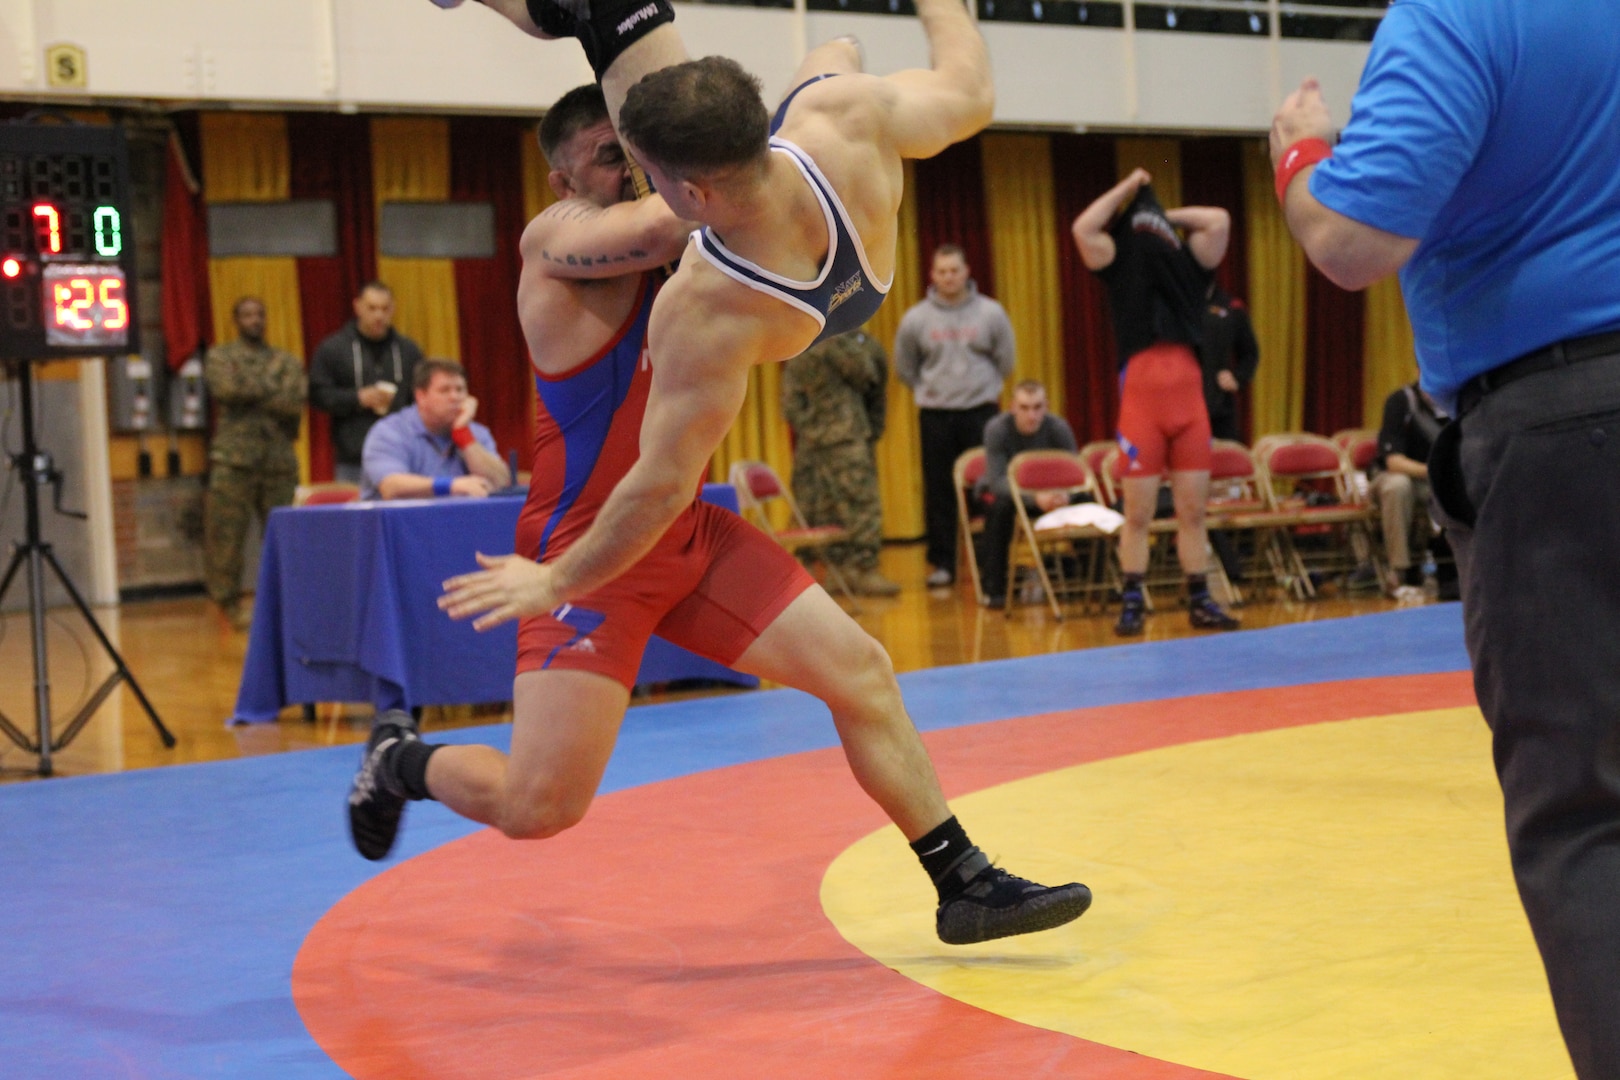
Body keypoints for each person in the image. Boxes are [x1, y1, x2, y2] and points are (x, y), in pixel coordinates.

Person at [372, 3, 1090, 946]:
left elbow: (696, 190)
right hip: (592, 543)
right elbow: (674, 213)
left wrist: (797, 82)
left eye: (637, 158)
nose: (626, 172)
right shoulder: (567, 243)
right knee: (540, 806)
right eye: (605, 155)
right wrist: (814, 77)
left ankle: (964, 882)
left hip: (677, 527)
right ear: (560, 178)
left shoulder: (725, 253)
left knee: (863, 673)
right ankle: (398, 761)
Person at [1270, 3, 1620, 1072]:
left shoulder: (1462, 15)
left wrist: (1298, 152)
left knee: (1586, 815)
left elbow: (1352, 240)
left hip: (1564, 433)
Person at [1072, 170, 1241, 637]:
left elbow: (1219, 220)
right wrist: (1127, 192)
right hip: (1143, 410)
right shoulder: (1116, 260)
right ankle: (1132, 600)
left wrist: (1162, 214)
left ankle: (1200, 600)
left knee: (1192, 513)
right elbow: (1083, 228)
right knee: (1139, 514)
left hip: (1188, 409)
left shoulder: (1189, 263)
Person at [894, 245, 1017, 587]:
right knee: (939, 491)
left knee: (986, 487)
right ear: (932, 275)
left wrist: (980, 388)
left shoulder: (991, 312)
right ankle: (944, 564)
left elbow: (1006, 360)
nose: (948, 277)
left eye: (954, 270)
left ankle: (987, 562)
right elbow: (905, 367)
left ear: (966, 272)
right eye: (942, 271)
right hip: (936, 414)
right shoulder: (916, 318)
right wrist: (933, 390)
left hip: (981, 412)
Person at [202, 296, 306, 630]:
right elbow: (226, 390)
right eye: (247, 314)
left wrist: (251, 391)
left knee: (283, 537)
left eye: (259, 314)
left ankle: (284, 604)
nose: (254, 320)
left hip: (277, 461)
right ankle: (227, 605)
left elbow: (294, 402)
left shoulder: (285, 359)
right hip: (234, 461)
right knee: (227, 538)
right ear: (236, 319)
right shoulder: (221, 356)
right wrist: (271, 390)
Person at [781, 326, 900, 597]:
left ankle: (863, 570)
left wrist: (870, 430)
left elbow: (870, 378)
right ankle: (821, 569)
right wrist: (810, 430)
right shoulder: (799, 340)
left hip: (848, 436)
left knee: (860, 503)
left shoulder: (858, 343)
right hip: (813, 440)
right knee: (812, 504)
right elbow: (791, 396)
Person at [975, 381, 1083, 609]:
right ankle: (994, 588)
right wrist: (1035, 498)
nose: (1031, 415)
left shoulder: (1058, 428)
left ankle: (1096, 580)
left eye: (1037, 407)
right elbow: (997, 481)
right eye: (1024, 408)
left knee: (1086, 502)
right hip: (1013, 496)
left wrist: (1064, 496)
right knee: (998, 508)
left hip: (1053, 495)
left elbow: (1075, 473)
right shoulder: (997, 429)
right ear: (1012, 407)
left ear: (1047, 406)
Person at [309, 281, 425, 484]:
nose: (379, 316)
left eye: (385, 308)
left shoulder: (409, 350)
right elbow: (317, 394)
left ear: (393, 309)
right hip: (353, 457)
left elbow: (422, 396)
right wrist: (357, 398)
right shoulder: (334, 348)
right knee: (355, 515)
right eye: (372, 308)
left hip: (402, 454)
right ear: (358, 307)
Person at [359, 358, 511, 500]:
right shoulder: (389, 431)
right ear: (421, 396)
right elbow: (391, 486)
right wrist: (451, 486)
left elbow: (500, 481)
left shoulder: (475, 432)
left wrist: (463, 435)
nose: (455, 397)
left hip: (458, 523)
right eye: (445, 390)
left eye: (460, 389)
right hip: (396, 525)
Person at [1367, 380, 1449, 600]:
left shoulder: (1456, 402)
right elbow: (1394, 463)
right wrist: (1437, 471)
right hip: (1392, 478)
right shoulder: (1400, 401)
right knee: (1398, 486)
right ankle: (1398, 573)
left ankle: (1463, 570)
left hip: (1431, 482)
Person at [1199, 282, 1259, 444]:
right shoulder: (1174, 306)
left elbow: (1249, 353)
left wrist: (1237, 378)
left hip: (1219, 409)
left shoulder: (1232, 307)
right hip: (1179, 407)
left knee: (1227, 462)